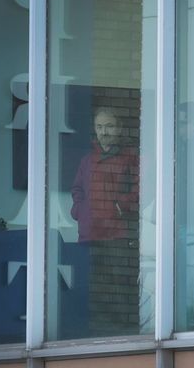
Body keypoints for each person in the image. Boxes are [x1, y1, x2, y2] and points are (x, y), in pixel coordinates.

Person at [70, 106, 139, 336]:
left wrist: (121, 206)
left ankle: (122, 335)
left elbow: (141, 190)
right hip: (89, 232)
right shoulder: (87, 159)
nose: (104, 131)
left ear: (119, 129)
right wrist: (79, 211)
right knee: (93, 288)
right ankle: (96, 335)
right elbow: (77, 189)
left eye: (109, 126)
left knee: (119, 287)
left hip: (117, 234)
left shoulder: (130, 158)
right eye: (99, 126)